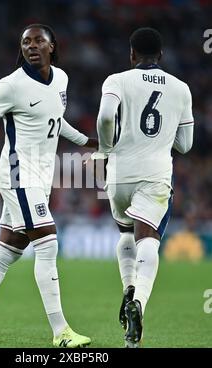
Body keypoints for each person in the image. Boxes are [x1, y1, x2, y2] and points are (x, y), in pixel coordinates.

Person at [0, 23, 97, 347]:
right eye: (25, 41)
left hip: (41, 176)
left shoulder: (61, 80)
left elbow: (55, 121)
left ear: (51, 46)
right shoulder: (10, 86)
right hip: (17, 174)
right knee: (48, 242)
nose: (31, 46)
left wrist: (88, 141)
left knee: (7, 252)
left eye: (38, 41)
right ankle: (61, 332)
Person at [93, 27, 193, 347]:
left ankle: (127, 288)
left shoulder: (117, 80)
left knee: (125, 232)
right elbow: (187, 144)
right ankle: (140, 303)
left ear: (132, 54)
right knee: (147, 237)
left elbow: (106, 116)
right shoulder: (181, 89)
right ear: (161, 56)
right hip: (155, 173)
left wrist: (106, 149)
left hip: (119, 172)